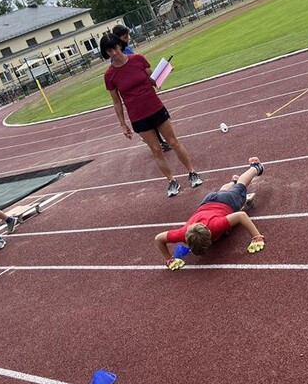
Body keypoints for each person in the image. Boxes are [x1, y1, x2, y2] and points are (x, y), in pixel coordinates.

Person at [101, 32, 203, 197]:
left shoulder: (138, 59)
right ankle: (171, 181)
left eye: (115, 48)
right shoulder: (109, 75)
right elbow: (117, 101)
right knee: (156, 150)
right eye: (109, 51)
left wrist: (165, 71)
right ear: (105, 53)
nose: (113, 53)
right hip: (137, 116)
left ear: (120, 45)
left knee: (173, 142)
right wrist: (122, 124)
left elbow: (153, 79)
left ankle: (192, 172)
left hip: (155, 107)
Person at [154, 157, 266, 270]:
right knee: (222, 192)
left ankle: (255, 167)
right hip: (207, 201)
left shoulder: (215, 225)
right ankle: (233, 181)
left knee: (241, 186)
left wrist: (256, 237)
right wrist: (169, 259)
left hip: (226, 202)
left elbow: (241, 216)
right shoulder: (182, 233)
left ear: (209, 232)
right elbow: (158, 238)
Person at [112, 24, 172, 152]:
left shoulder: (128, 50)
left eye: (128, 36)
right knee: (149, 120)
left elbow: (140, 70)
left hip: (144, 91)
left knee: (154, 119)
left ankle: (160, 142)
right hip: (137, 97)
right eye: (125, 37)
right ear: (117, 39)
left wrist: (158, 75)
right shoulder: (118, 56)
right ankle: (159, 142)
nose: (128, 39)